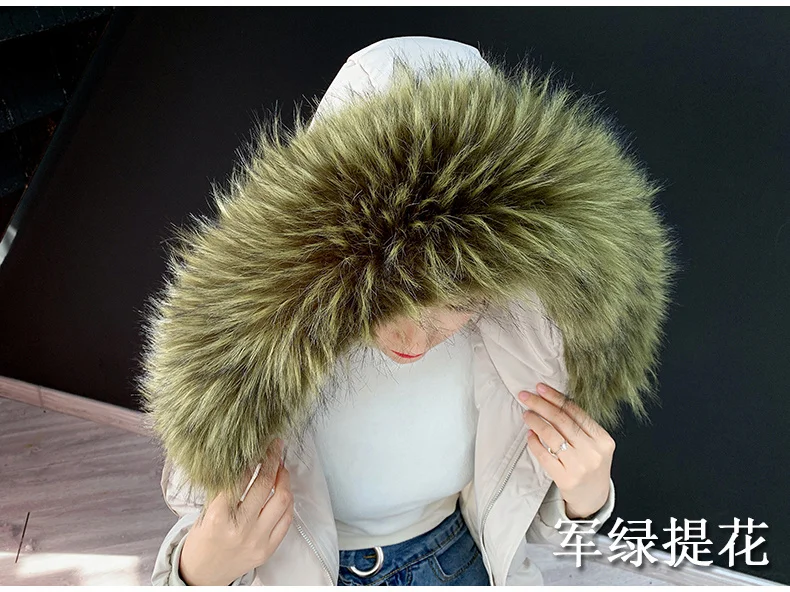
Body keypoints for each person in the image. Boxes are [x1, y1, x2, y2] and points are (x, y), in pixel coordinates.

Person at [142, 36, 680, 586]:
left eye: (460, 303)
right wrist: (199, 568)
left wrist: (586, 496)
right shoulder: (249, 349)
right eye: (386, 300)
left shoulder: (524, 340)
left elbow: (523, 521)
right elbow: (206, 514)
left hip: (458, 563)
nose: (415, 341)